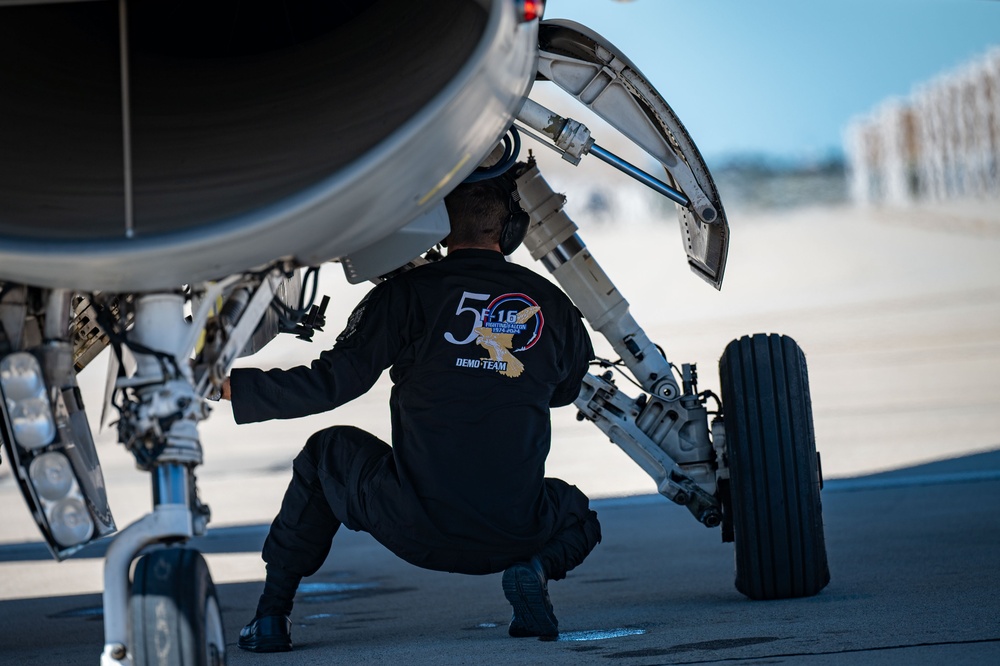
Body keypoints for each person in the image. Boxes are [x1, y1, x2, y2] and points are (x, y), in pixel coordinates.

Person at [223, 169, 602, 653]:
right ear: (511, 230)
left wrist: (229, 386)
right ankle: (535, 570)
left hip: (414, 524)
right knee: (579, 515)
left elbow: (331, 384)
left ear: (439, 227)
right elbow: (565, 390)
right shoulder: (553, 305)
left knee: (327, 451)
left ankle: (272, 616)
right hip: (513, 530)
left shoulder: (404, 296)